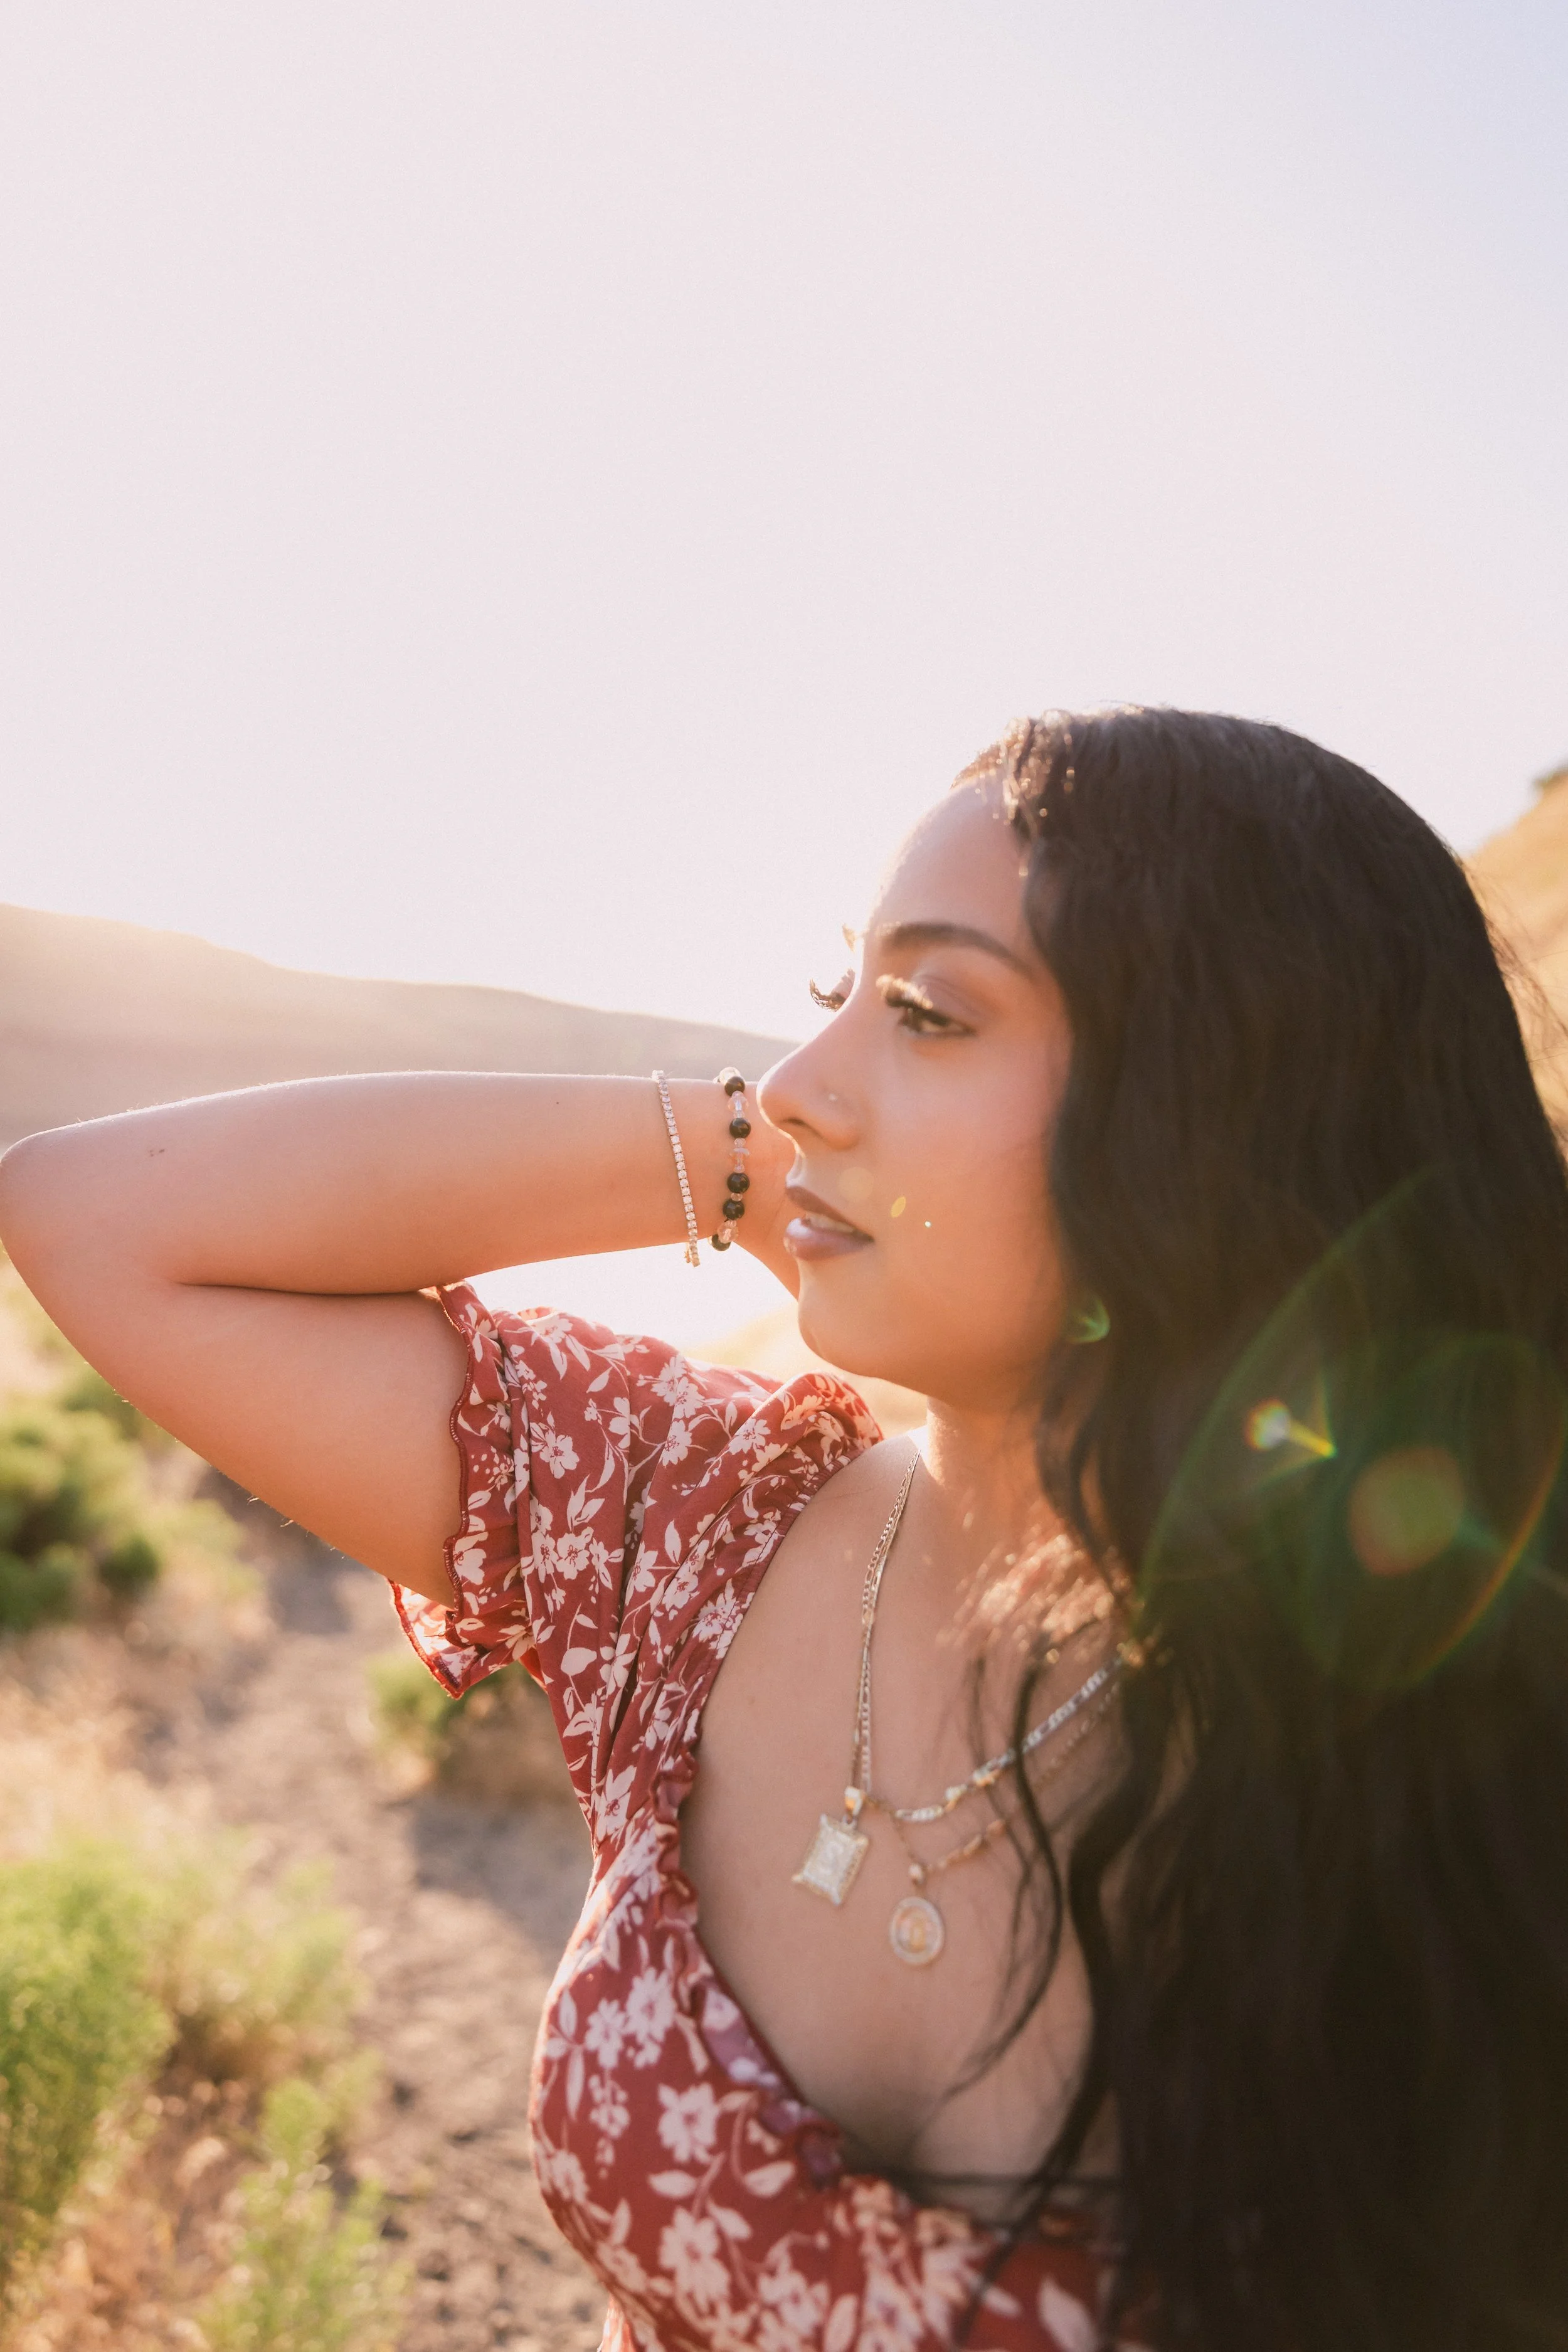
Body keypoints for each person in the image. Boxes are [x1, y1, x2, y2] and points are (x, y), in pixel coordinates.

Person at [4, 706, 1567, 2352]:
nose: (801, 1083)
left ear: (1214, 1116)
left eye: (927, 1014)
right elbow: (98, 1218)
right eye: (838, 995)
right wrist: (739, 1155)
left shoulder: (1472, 1718)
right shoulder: (688, 1525)